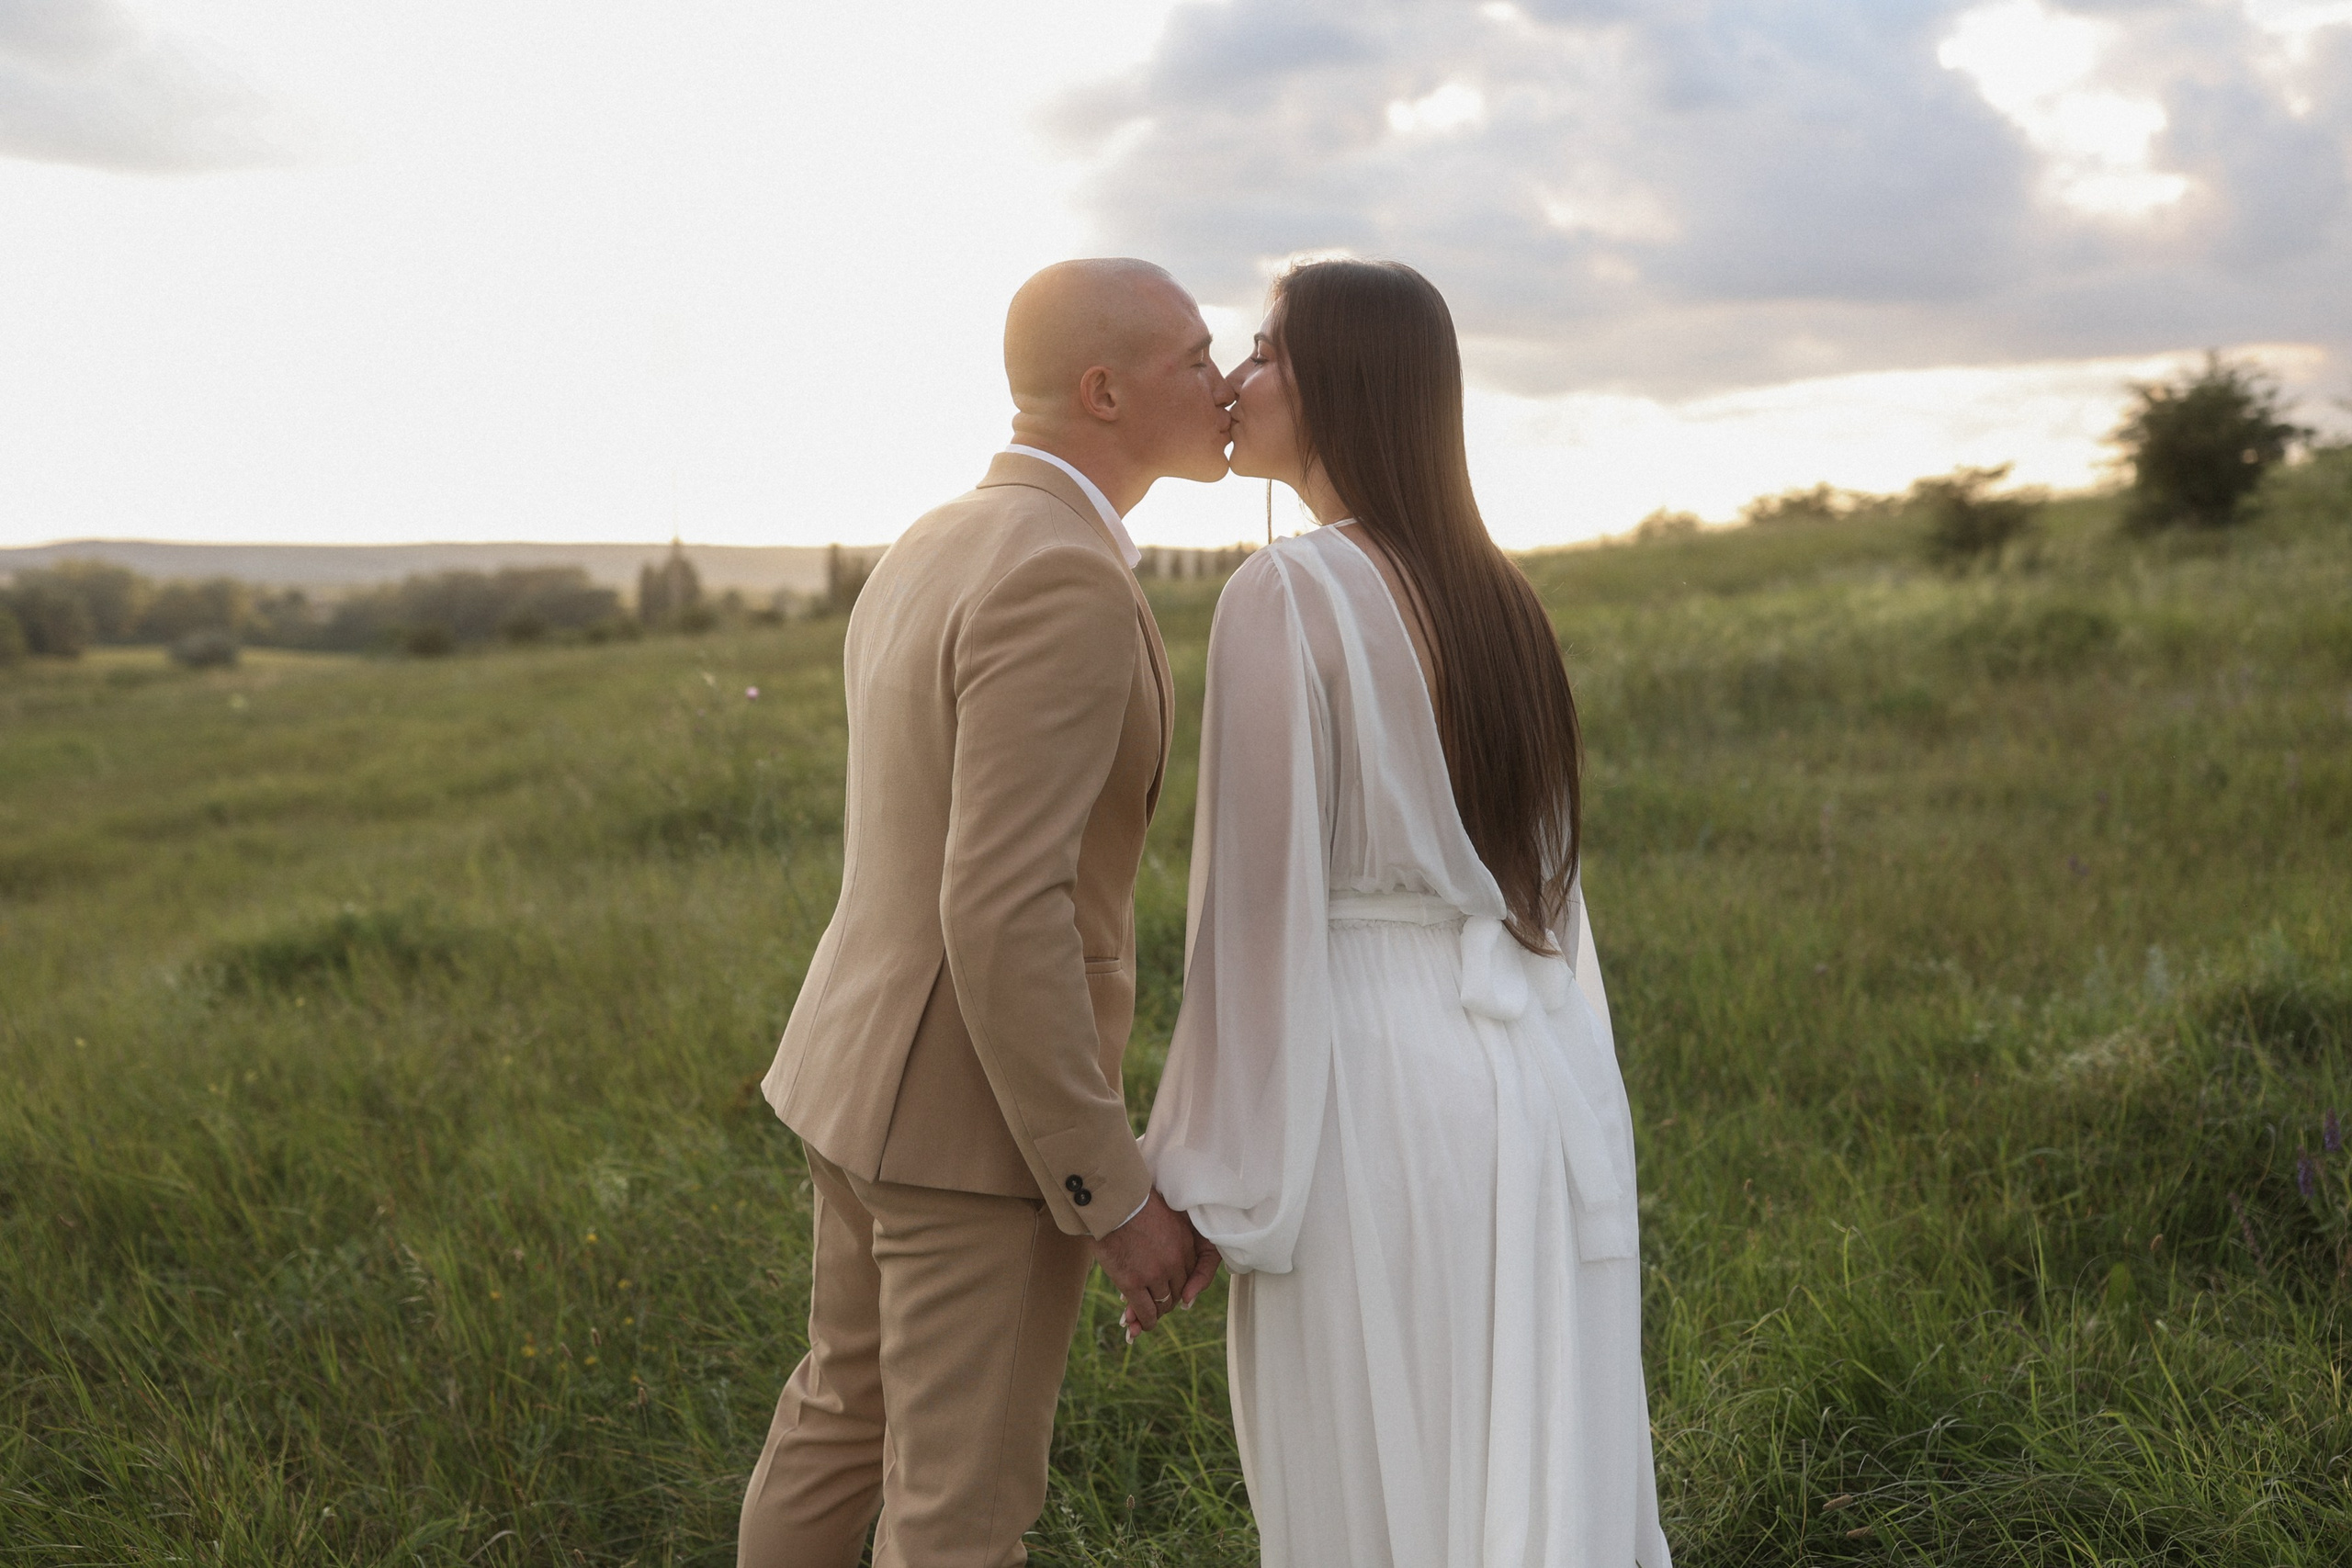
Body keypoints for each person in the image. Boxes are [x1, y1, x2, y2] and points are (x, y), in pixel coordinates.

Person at [1140, 259, 1675, 1567]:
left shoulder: (1288, 591)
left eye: (1265, 351)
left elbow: (1253, 924)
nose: (1237, 378)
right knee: (1509, 1466)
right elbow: (1547, 893)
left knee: (1373, 1488)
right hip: (1522, 1086)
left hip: (1367, 1098)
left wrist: (1209, 1179)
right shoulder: (1507, 599)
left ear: (1344, 384)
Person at [739, 258, 1232, 1568]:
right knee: (958, 1516)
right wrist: (1109, 1190)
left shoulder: (942, 535)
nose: (1224, 377)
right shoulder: (1063, 575)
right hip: (973, 1129)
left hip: (855, 1082)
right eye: (1196, 355)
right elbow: (1005, 908)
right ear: (1105, 389)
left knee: (839, 1420)